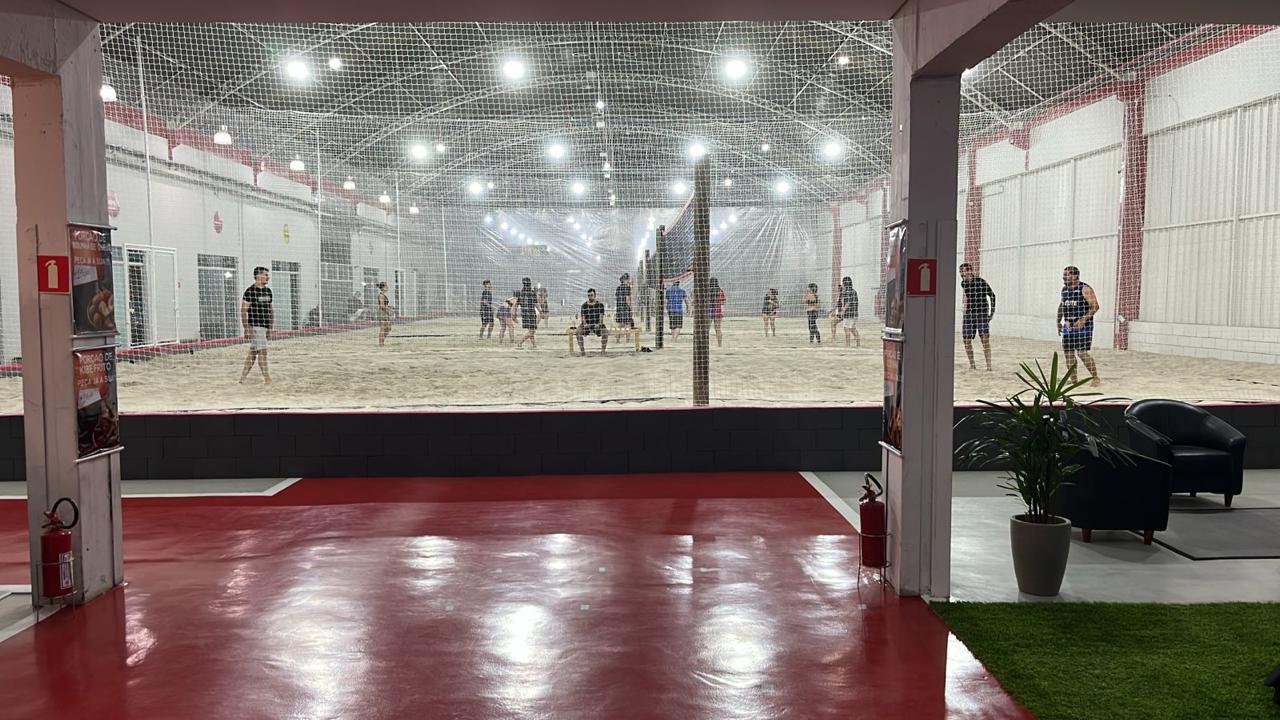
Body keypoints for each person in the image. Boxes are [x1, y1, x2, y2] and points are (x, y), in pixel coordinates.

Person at [1057, 265, 1100, 386]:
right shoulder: (1064, 290)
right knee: (1068, 354)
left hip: (1083, 327)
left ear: (1075, 276)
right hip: (1068, 326)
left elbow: (1095, 306)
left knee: (1081, 353)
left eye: (1067, 275)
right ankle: (1074, 380)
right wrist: (1058, 321)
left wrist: (1083, 320)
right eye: (1064, 275)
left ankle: (1095, 377)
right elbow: (1061, 306)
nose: (1064, 277)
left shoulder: (1084, 288)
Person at [238, 266, 273, 384]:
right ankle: (267, 378)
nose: (268, 277)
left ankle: (242, 378)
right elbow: (243, 310)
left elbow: (271, 309)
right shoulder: (250, 291)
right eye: (265, 274)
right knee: (263, 352)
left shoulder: (268, 291)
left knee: (253, 352)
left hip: (264, 326)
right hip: (255, 326)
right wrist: (246, 328)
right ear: (258, 276)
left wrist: (270, 327)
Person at [959, 263, 996, 371]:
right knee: (966, 340)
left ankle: (989, 366)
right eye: (961, 271)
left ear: (970, 271)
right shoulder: (963, 283)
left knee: (985, 339)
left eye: (964, 271)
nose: (962, 273)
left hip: (982, 313)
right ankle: (972, 365)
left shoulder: (981, 282)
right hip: (969, 313)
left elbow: (992, 295)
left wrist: (991, 313)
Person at [576, 288, 610, 356]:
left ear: (595, 295)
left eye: (591, 295)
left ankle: (603, 351)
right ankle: (582, 352)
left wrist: (599, 324)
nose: (590, 297)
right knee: (578, 332)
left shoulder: (600, 305)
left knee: (605, 332)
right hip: (587, 325)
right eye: (588, 295)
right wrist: (585, 324)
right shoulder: (584, 305)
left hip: (597, 324)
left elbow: (601, 317)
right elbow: (583, 317)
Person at [837, 276, 861, 347]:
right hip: (855, 313)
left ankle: (848, 345)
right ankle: (858, 344)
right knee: (853, 329)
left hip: (848, 314)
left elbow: (848, 303)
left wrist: (842, 311)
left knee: (846, 329)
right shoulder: (854, 291)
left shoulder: (847, 292)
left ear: (844, 283)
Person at [516, 277, 539, 349]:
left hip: (524, 313)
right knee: (532, 330)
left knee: (531, 330)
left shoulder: (521, 293)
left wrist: (514, 312)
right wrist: (540, 310)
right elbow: (536, 303)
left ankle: (534, 345)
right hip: (531, 313)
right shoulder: (532, 292)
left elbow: (517, 303)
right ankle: (520, 343)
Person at [376, 281, 394, 347]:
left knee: (388, 328)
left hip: (385, 312)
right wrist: (388, 308)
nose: (387, 287)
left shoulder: (383, 295)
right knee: (383, 328)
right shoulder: (381, 295)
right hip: (382, 312)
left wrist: (390, 307)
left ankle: (382, 341)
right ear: (383, 287)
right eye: (386, 286)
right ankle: (381, 343)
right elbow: (382, 306)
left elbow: (384, 305)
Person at [709, 277, 725, 347]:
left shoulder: (706, 290)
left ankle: (705, 344)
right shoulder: (720, 290)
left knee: (706, 329)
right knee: (718, 329)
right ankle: (719, 344)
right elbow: (723, 302)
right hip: (717, 310)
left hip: (709, 310)